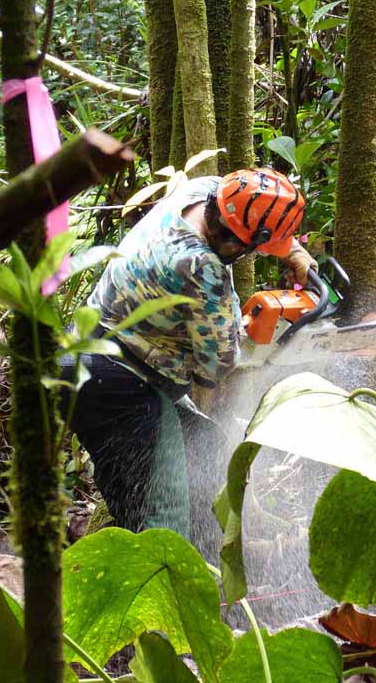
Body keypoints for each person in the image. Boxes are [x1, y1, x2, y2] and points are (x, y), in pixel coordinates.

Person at [61, 167, 316, 538]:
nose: (238, 252)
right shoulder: (200, 265)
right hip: (114, 385)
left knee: (207, 449)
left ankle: (211, 560)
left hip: (103, 355)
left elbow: (253, 216)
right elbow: (216, 367)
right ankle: (159, 586)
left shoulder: (203, 190)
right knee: (157, 519)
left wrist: (292, 250)